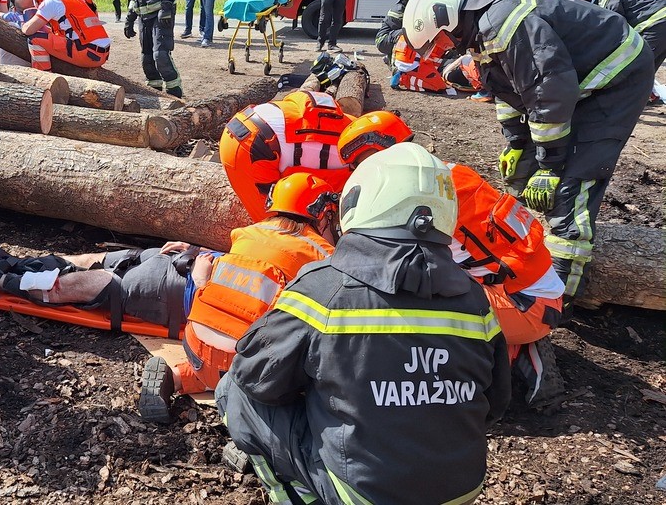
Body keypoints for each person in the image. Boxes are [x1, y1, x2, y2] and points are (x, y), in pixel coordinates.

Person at [216, 142, 511, 505]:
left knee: (234, 390)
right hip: (461, 490)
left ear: (359, 201)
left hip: (367, 495)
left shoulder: (323, 288)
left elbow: (256, 376)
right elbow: (495, 403)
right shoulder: (474, 299)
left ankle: (298, 497)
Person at [403, 0, 654, 307]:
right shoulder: (482, 32)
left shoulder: (506, 24)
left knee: (575, 175)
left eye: (439, 43)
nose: (444, 51)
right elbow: (510, 91)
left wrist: (550, 166)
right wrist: (517, 142)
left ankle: (560, 294)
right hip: (573, 80)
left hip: (618, 75)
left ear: (447, 19)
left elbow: (548, 90)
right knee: (524, 168)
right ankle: (528, 244)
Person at [338, 111, 566, 406]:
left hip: (524, 303)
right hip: (532, 293)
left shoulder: (424, 200)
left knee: (413, 295)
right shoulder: (447, 174)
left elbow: (414, 263)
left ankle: (499, 363)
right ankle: (516, 342)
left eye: (363, 163)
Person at [139, 172, 335, 423]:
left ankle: (174, 377)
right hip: (248, 365)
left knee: (214, 367)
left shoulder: (245, 233)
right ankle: (251, 421)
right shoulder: (323, 255)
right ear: (324, 215)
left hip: (195, 344)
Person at [218, 90, 352, 223]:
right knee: (277, 225)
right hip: (253, 146)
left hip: (245, 123)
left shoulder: (352, 128)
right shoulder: (359, 157)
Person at [21, 0, 111, 71]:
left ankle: (44, 77)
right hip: (102, 52)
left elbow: (28, 30)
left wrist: (22, 25)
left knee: (34, 38)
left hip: (86, 53)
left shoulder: (52, 0)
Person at [586, 0, 666, 70]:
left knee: (633, 66)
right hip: (660, 22)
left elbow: (613, 28)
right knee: (649, 67)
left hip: (655, 25)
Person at [374, 0, 421, 65]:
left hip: (391, 37)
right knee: (408, 33)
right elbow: (396, 33)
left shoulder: (413, 7)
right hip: (383, 40)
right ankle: (394, 63)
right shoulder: (398, 10)